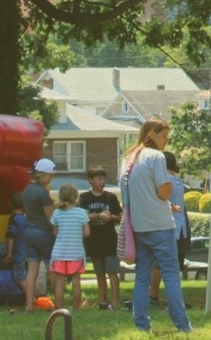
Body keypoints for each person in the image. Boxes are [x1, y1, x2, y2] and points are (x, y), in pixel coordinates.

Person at [119, 117, 192, 333]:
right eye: (163, 136)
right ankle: (182, 325)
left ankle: (141, 325)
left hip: (138, 226)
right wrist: (169, 186)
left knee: (142, 277)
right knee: (170, 275)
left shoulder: (129, 158)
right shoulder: (157, 157)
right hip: (160, 224)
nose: (166, 141)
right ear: (151, 134)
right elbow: (163, 192)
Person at [149, 151, 191, 307]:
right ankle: (173, 300)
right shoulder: (179, 181)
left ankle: (154, 297)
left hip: (169, 227)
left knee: (161, 265)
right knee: (174, 266)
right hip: (181, 228)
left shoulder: (165, 181)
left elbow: (159, 201)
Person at [78, 165, 122, 311]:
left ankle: (115, 301)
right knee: (99, 272)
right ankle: (102, 301)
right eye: (99, 179)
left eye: (104, 179)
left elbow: (120, 216)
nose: (102, 182)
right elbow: (83, 217)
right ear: (90, 180)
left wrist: (112, 217)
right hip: (94, 240)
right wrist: (98, 216)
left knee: (112, 271)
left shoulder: (111, 197)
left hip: (109, 239)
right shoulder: (84, 198)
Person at [49, 183, 90, 310]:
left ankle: (60, 308)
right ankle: (76, 308)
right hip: (76, 253)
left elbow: (55, 233)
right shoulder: (82, 213)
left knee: (59, 283)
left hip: (59, 253)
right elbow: (87, 233)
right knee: (76, 283)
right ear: (76, 197)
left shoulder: (56, 213)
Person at [23, 158, 56, 313]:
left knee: (31, 271)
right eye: (49, 176)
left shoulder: (26, 190)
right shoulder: (42, 192)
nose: (51, 179)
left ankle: (29, 305)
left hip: (28, 231)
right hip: (43, 232)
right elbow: (50, 218)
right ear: (41, 176)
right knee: (52, 269)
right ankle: (58, 302)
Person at [4, 192, 28, 294]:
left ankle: (32, 297)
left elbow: (11, 236)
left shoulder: (14, 219)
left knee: (20, 279)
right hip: (25, 253)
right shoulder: (25, 218)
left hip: (18, 255)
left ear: (10, 204)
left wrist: (9, 254)